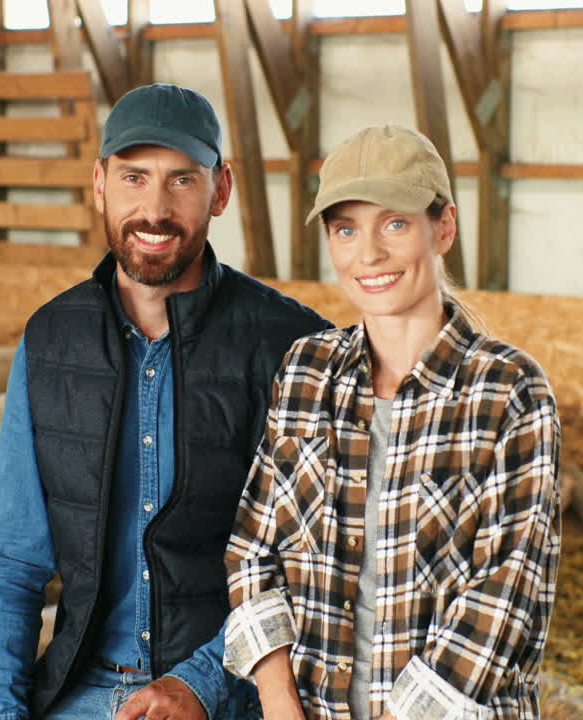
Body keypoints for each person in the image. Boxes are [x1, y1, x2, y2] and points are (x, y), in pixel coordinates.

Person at [0, 83, 333, 720]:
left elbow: (312, 558)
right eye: (134, 178)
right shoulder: (50, 341)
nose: (155, 210)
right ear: (100, 184)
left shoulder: (291, 347)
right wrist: (0, 708)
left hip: (234, 697)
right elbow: (11, 555)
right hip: (78, 693)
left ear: (221, 190)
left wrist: (200, 682)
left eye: (181, 181)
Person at [223, 124, 562, 720]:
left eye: (395, 224)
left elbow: (505, 597)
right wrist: (278, 702)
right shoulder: (305, 372)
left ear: (444, 227)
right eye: (346, 229)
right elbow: (252, 550)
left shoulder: (509, 392)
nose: (369, 254)